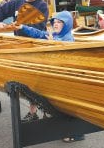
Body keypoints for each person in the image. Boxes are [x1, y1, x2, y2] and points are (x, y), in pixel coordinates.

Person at [13, 10, 85, 143]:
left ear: (67, 24)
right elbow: (39, 33)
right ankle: (57, 125)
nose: (55, 24)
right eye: (54, 22)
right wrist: (22, 27)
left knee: (66, 109)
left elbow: (65, 57)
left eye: (59, 22)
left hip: (66, 81)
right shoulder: (55, 35)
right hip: (55, 78)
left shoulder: (67, 38)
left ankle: (77, 133)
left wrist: (53, 44)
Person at [0, 0, 49, 122]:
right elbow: (0, 12)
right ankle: (34, 111)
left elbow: (39, 27)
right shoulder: (16, 3)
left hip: (35, 47)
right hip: (19, 46)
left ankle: (34, 111)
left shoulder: (42, 6)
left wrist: (21, 24)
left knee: (34, 81)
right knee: (20, 79)